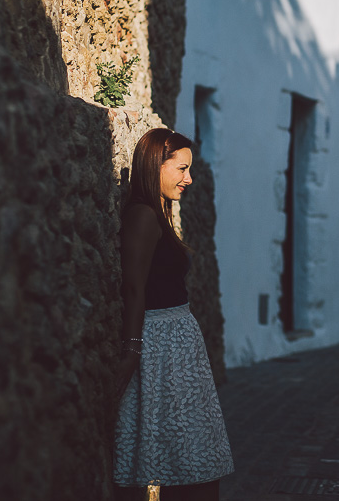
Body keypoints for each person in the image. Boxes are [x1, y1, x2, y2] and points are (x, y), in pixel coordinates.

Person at [114, 128, 234, 500]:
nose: (189, 178)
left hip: (178, 348)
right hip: (161, 348)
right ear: (156, 165)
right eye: (181, 169)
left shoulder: (158, 215)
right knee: (186, 458)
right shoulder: (143, 216)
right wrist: (133, 351)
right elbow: (134, 288)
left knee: (196, 455)